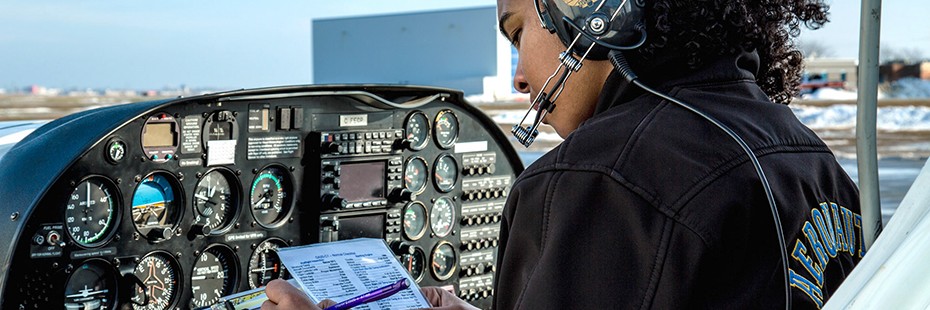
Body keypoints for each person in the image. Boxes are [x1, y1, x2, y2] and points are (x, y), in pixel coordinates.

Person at [263, 0, 867, 308]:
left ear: (590, 9)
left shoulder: (605, 177)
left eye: (518, 32)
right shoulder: (810, 160)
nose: (521, 78)